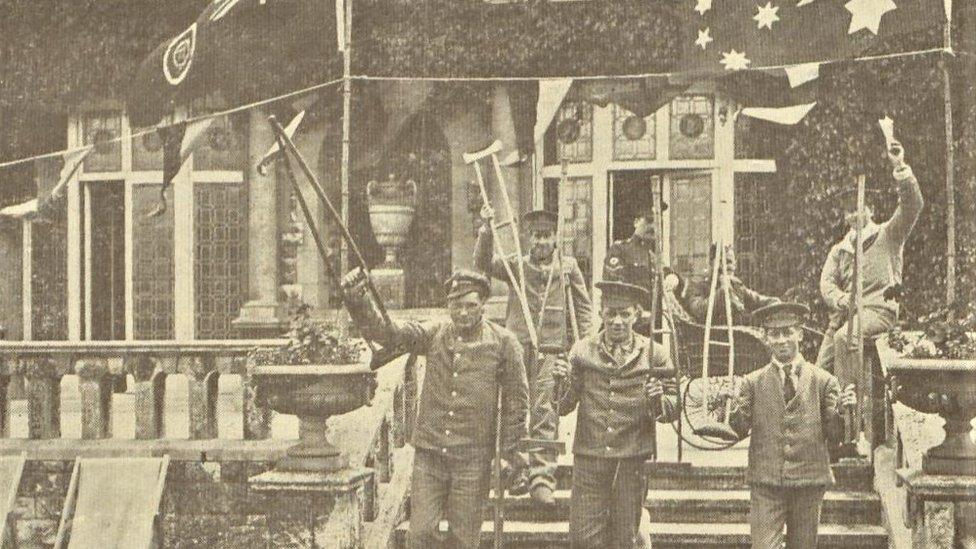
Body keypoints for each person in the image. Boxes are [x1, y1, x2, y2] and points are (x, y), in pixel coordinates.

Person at [341, 268, 529, 549]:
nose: (463, 313)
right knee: (419, 536)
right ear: (448, 305)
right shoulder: (435, 333)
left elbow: (517, 401)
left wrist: (510, 453)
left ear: (483, 306)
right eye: (456, 305)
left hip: (472, 459)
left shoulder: (504, 343)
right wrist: (360, 300)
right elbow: (391, 334)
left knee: (464, 540)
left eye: (471, 306)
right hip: (430, 456)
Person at [475, 205, 593, 504]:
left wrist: (587, 341)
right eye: (536, 236)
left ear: (556, 238)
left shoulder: (567, 267)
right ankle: (516, 470)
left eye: (547, 236)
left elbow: (583, 307)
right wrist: (486, 229)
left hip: (550, 349)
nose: (541, 242)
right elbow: (483, 263)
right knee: (514, 409)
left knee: (545, 410)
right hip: (515, 348)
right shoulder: (517, 265)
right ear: (529, 238)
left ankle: (542, 477)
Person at [552, 280, 678, 548]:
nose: (617, 321)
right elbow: (563, 406)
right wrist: (560, 382)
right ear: (601, 314)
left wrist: (658, 399)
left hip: (632, 459)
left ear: (637, 314)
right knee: (583, 538)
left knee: (624, 538)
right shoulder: (582, 351)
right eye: (611, 313)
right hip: (590, 458)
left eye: (624, 313)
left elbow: (672, 410)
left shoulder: (655, 354)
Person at [721, 302, 856, 549]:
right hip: (766, 482)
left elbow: (835, 436)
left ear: (800, 334)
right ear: (765, 337)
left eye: (788, 332)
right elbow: (738, 429)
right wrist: (729, 405)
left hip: (808, 481)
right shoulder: (752, 383)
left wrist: (843, 412)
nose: (781, 340)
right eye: (774, 333)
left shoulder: (824, 381)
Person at [815, 153, 923, 454]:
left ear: (871, 210)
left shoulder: (888, 235)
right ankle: (823, 437)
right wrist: (839, 302)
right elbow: (827, 284)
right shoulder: (840, 250)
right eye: (848, 212)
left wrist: (900, 168)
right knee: (817, 374)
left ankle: (852, 430)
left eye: (858, 209)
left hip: (878, 313)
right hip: (843, 317)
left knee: (845, 338)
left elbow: (913, 206)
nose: (853, 216)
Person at [683, 245, 780, 326]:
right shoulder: (697, 286)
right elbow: (700, 311)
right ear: (712, 263)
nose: (728, 267)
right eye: (723, 262)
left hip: (740, 338)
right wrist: (723, 290)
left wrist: (776, 303)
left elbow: (758, 300)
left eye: (731, 262)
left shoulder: (736, 286)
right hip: (715, 341)